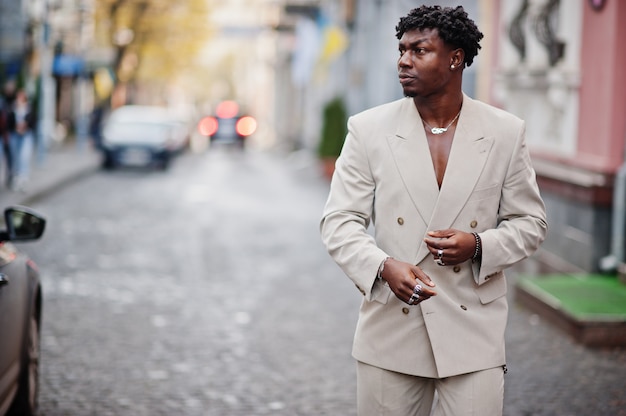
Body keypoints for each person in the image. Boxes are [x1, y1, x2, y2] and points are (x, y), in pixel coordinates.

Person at [320, 5, 547, 416]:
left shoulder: (504, 132)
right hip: (392, 328)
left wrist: (478, 245)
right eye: (401, 50)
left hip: (473, 330)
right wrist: (383, 266)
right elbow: (339, 222)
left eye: (419, 50)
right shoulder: (368, 129)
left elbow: (530, 224)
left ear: (455, 58)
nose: (404, 61)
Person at [7, 89, 36, 191]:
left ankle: (23, 178)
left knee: (24, 157)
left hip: (26, 135)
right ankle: (16, 178)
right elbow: (9, 121)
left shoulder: (29, 108)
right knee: (16, 157)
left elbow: (33, 121)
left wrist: (25, 126)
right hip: (15, 135)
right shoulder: (13, 108)